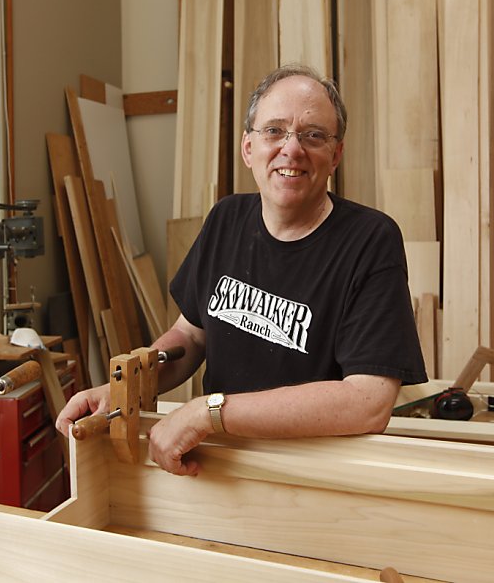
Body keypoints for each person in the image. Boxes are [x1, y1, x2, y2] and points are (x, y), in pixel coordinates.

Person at [55, 64, 428, 475]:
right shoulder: (226, 219)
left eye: (313, 135)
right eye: (274, 131)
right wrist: (123, 390)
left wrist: (208, 412)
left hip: (316, 475)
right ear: (248, 147)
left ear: (335, 155)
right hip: (217, 461)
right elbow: (190, 334)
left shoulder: (369, 240)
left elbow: (368, 402)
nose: (292, 149)